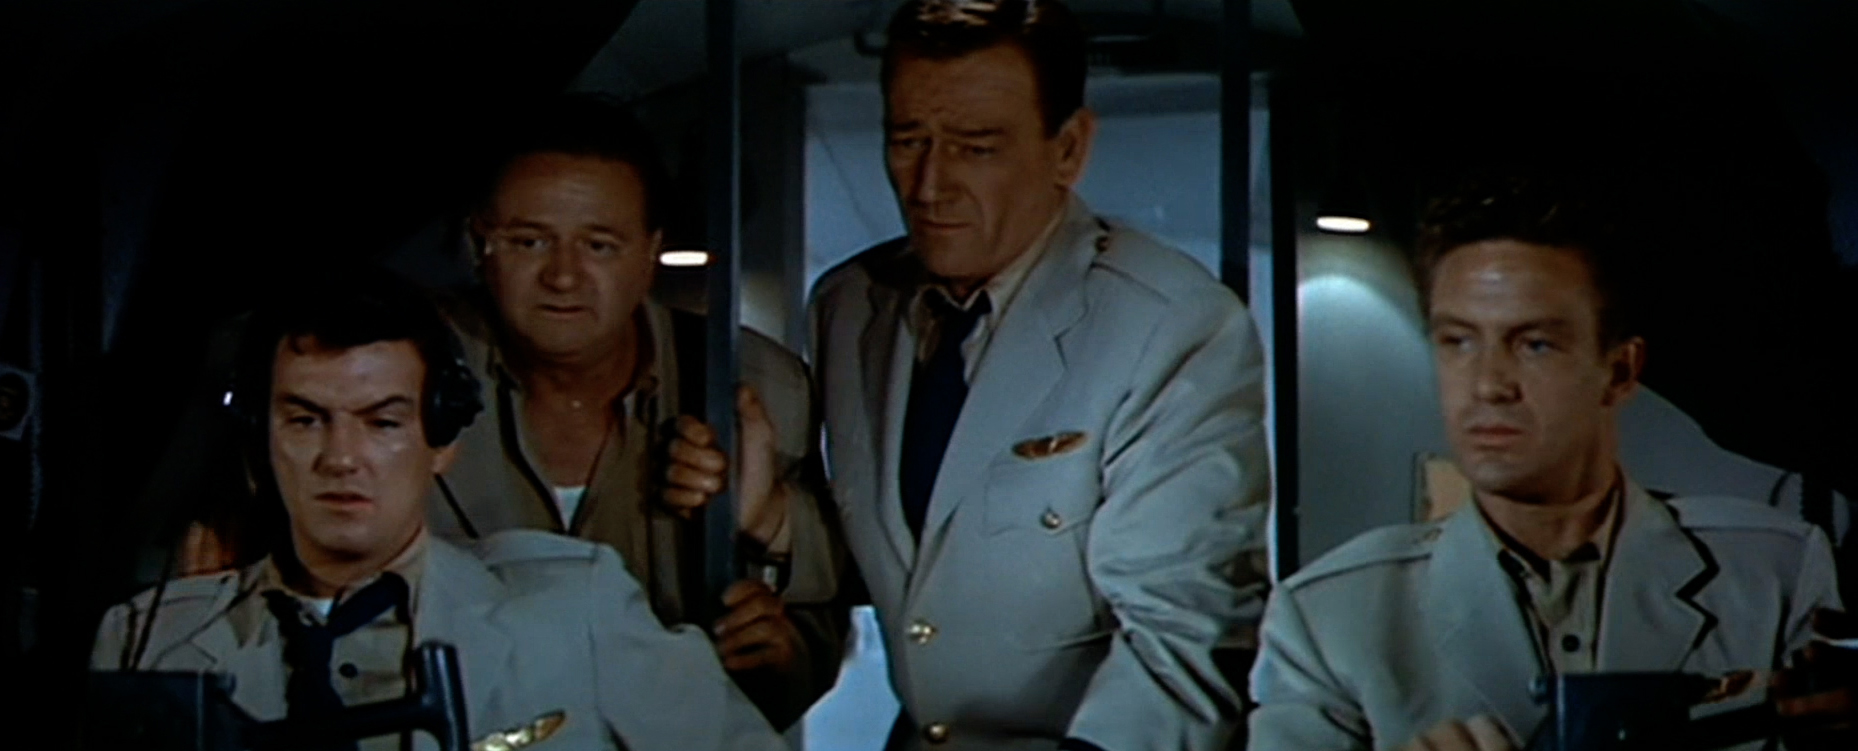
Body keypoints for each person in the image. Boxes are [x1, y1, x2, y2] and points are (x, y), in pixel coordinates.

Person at [1244, 170, 1846, 751]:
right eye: (1458, 342)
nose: (1488, 385)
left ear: (1620, 370)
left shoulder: (1772, 575)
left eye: (1534, 344)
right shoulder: (1332, 619)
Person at [806, 2, 1272, 749]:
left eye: (975, 147)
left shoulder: (1169, 325)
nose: (929, 184)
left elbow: (1188, 640)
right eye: (907, 141)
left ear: (1069, 149)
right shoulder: (850, 307)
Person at [89, 268, 791, 751]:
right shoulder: (152, 641)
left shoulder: (576, 609)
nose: (342, 458)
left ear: (442, 438)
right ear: (257, 441)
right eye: (305, 421)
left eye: (382, 422)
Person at [426, 95, 847, 729]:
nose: (563, 276)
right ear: (481, 242)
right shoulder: (408, 375)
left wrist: (779, 657)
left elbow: (817, 627)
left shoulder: (750, 386)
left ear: (651, 251)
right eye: (530, 241)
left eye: (599, 246)